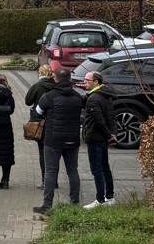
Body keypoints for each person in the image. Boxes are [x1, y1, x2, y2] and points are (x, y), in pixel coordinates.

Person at [32, 68, 84, 215]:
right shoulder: (78, 97)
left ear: (55, 79)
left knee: (50, 172)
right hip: (72, 140)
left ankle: (47, 205)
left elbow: (37, 113)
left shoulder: (49, 96)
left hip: (53, 140)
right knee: (72, 170)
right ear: (70, 79)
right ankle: (74, 203)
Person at [81, 71, 116, 209]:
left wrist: (109, 135)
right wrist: (111, 134)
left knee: (97, 169)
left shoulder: (94, 99)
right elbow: (110, 116)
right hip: (102, 138)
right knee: (105, 167)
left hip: (95, 137)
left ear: (96, 82)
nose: (84, 82)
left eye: (87, 80)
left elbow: (99, 120)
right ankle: (110, 197)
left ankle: (100, 199)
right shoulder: (104, 94)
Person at [24, 65, 57, 189]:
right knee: (54, 153)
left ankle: (45, 181)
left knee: (43, 153)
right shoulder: (56, 86)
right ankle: (54, 181)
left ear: (40, 73)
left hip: (40, 124)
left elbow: (27, 101)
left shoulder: (37, 86)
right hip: (55, 122)